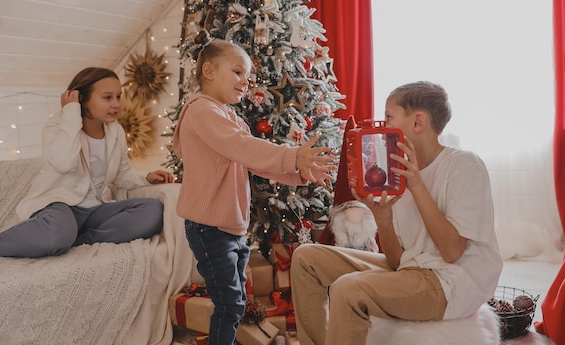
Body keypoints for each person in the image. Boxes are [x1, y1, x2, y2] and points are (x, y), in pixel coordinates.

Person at [290, 81, 503, 345]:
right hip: (413, 270)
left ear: (417, 123)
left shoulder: (464, 165)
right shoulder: (397, 173)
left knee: (348, 289)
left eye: (389, 117)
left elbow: (452, 251)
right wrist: (383, 217)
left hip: (451, 284)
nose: (383, 124)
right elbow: (396, 262)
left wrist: (416, 185)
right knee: (305, 258)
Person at [172, 30, 336, 345]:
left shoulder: (226, 115)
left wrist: (298, 170)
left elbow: (253, 160)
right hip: (209, 227)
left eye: (246, 77)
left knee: (235, 300)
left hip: (230, 226)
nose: (244, 82)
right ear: (208, 71)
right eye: (237, 72)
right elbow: (242, 147)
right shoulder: (201, 111)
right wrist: (292, 155)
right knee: (230, 302)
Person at [0, 67, 174, 259]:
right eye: (107, 97)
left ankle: (78, 240)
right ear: (82, 98)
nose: (116, 104)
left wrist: (145, 177)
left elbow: (121, 175)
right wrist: (71, 113)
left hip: (97, 210)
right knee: (56, 234)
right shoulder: (58, 126)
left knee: (151, 210)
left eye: (118, 96)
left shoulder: (116, 132)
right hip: (60, 205)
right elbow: (63, 163)